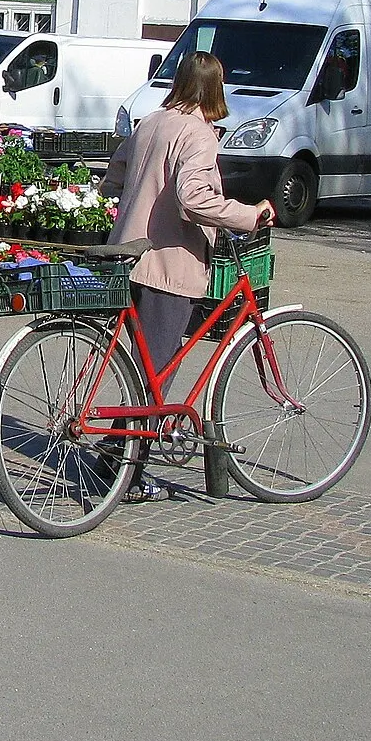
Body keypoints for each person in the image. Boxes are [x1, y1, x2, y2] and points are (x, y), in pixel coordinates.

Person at [101, 49, 274, 499]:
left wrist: (144, 192)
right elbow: (193, 200)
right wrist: (247, 214)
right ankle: (128, 473)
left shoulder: (151, 122)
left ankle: (112, 458)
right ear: (217, 88)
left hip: (129, 256)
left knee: (140, 368)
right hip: (168, 264)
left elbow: (112, 177)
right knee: (155, 373)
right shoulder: (198, 133)